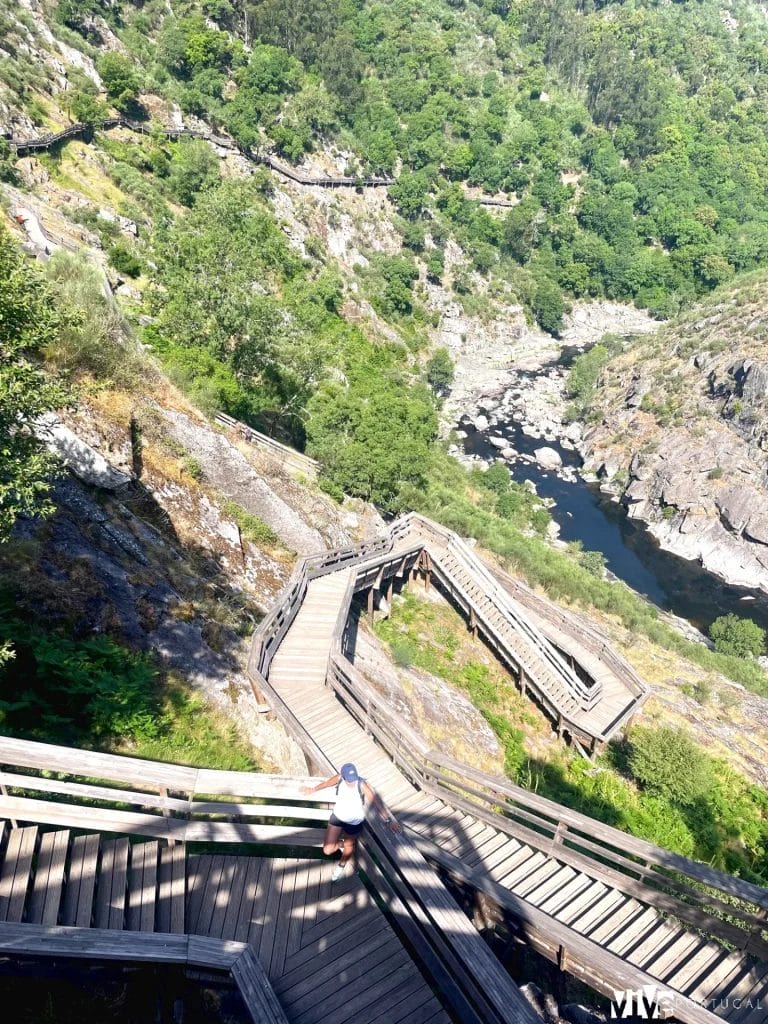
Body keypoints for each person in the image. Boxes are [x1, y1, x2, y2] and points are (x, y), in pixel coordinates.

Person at [302, 762, 400, 881]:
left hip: (354, 821)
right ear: (343, 776)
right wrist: (312, 790)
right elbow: (327, 783)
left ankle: (341, 866)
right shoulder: (338, 778)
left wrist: (389, 821)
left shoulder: (362, 784)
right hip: (338, 817)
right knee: (327, 849)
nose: (352, 782)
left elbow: (376, 802)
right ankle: (345, 844)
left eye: (353, 779)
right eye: (349, 780)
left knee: (349, 844)